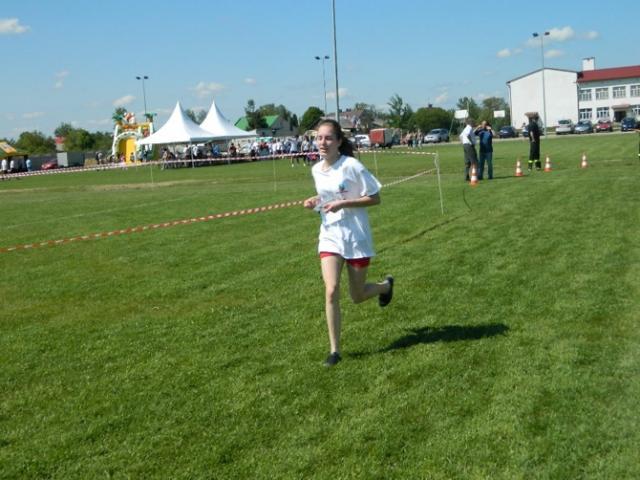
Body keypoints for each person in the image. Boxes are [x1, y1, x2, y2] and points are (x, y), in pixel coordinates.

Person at [303, 119, 394, 368]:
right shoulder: (316, 169)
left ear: (339, 141)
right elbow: (327, 196)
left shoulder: (352, 166)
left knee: (357, 295)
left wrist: (343, 203)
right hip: (330, 235)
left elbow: (374, 198)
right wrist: (315, 201)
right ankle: (335, 350)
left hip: (356, 237)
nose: (322, 142)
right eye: (319, 138)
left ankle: (385, 287)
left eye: (328, 138)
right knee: (331, 290)